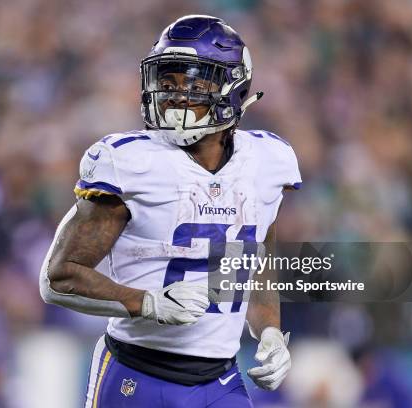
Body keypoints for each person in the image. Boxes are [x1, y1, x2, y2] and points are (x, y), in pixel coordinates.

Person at [40, 15, 301, 408]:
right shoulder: (131, 163)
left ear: (234, 88)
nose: (177, 95)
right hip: (136, 373)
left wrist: (268, 331)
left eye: (194, 83)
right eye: (168, 83)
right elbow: (58, 278)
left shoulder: (268, 161)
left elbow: (256, 258)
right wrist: (147, 303)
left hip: (220, 381)